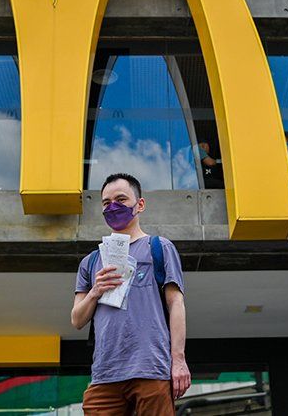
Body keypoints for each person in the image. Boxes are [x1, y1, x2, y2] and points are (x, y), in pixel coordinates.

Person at [71, 172, 191, 415]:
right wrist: (95, 291)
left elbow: (176, 304)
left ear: (140, 204)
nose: (113, 207)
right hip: (105, 374)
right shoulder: (90, 261)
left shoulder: (159, 247)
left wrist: (178, 360)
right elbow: (77, 320)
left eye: (121, 199)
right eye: (106, 203)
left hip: (151, 369)